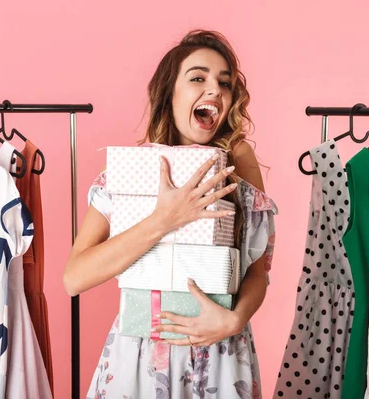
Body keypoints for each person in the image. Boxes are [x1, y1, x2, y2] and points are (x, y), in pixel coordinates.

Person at [64, 29, 278, 399]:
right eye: (198, 78)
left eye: (224, 83)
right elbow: (75, 278)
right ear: (170, 93)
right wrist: (164, 219)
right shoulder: (129, 171)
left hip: (223, 356)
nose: (214, 90)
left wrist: (234, 319)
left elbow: (258, 272)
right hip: (143, 356)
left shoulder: (238, 161)